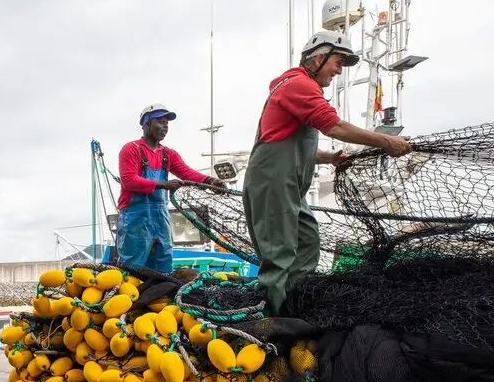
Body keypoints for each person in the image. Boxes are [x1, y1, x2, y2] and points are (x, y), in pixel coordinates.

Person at [243, 30, 412, 313]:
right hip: (273, 183)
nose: (339, 70)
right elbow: (335, 127)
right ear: (319, 58)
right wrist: (387, 142)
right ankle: (271, 324)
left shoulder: (297, 86)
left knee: (308, 239)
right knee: (279, 253)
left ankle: (293, 304)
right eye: (338, 62)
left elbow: (290, 145)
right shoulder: (298, 85)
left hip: (287, 185)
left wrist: (329, 158)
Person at [116, 104, 225, 273]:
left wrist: (210, 181)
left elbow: (186, 172)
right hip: (135, 218)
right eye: (160, 121)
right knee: (133, 267)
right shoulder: (131, 149)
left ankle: (160, 297)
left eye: (167, 123)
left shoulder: (168, 153)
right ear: (146, 124)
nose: (165, 126)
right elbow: (129, 180)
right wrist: (163, 185)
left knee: (163, 263)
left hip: (160, 218)